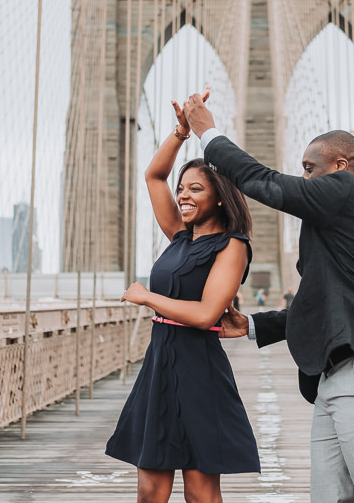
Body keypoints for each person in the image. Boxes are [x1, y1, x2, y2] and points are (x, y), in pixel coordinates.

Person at [182, 92, 354, 503]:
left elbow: (268, 184)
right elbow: (327, 296)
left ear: (341, 166)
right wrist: (256, 324)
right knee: (329, 498)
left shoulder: (351, 192)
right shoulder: (337, 222)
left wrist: (208, 133)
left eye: (310, 170)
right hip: (334, 377)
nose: (305, 180)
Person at [105, 95, 260, 503]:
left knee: (200, 492)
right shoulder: (178, 235)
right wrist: (180, 134)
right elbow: (154, 177)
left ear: (221, 197)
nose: (184, 195)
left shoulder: (232, 247)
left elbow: (208, 312)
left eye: (196, 189)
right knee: (150, 489)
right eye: (182, 189)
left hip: (200, 371)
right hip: (159, 365)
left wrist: (147, 297)